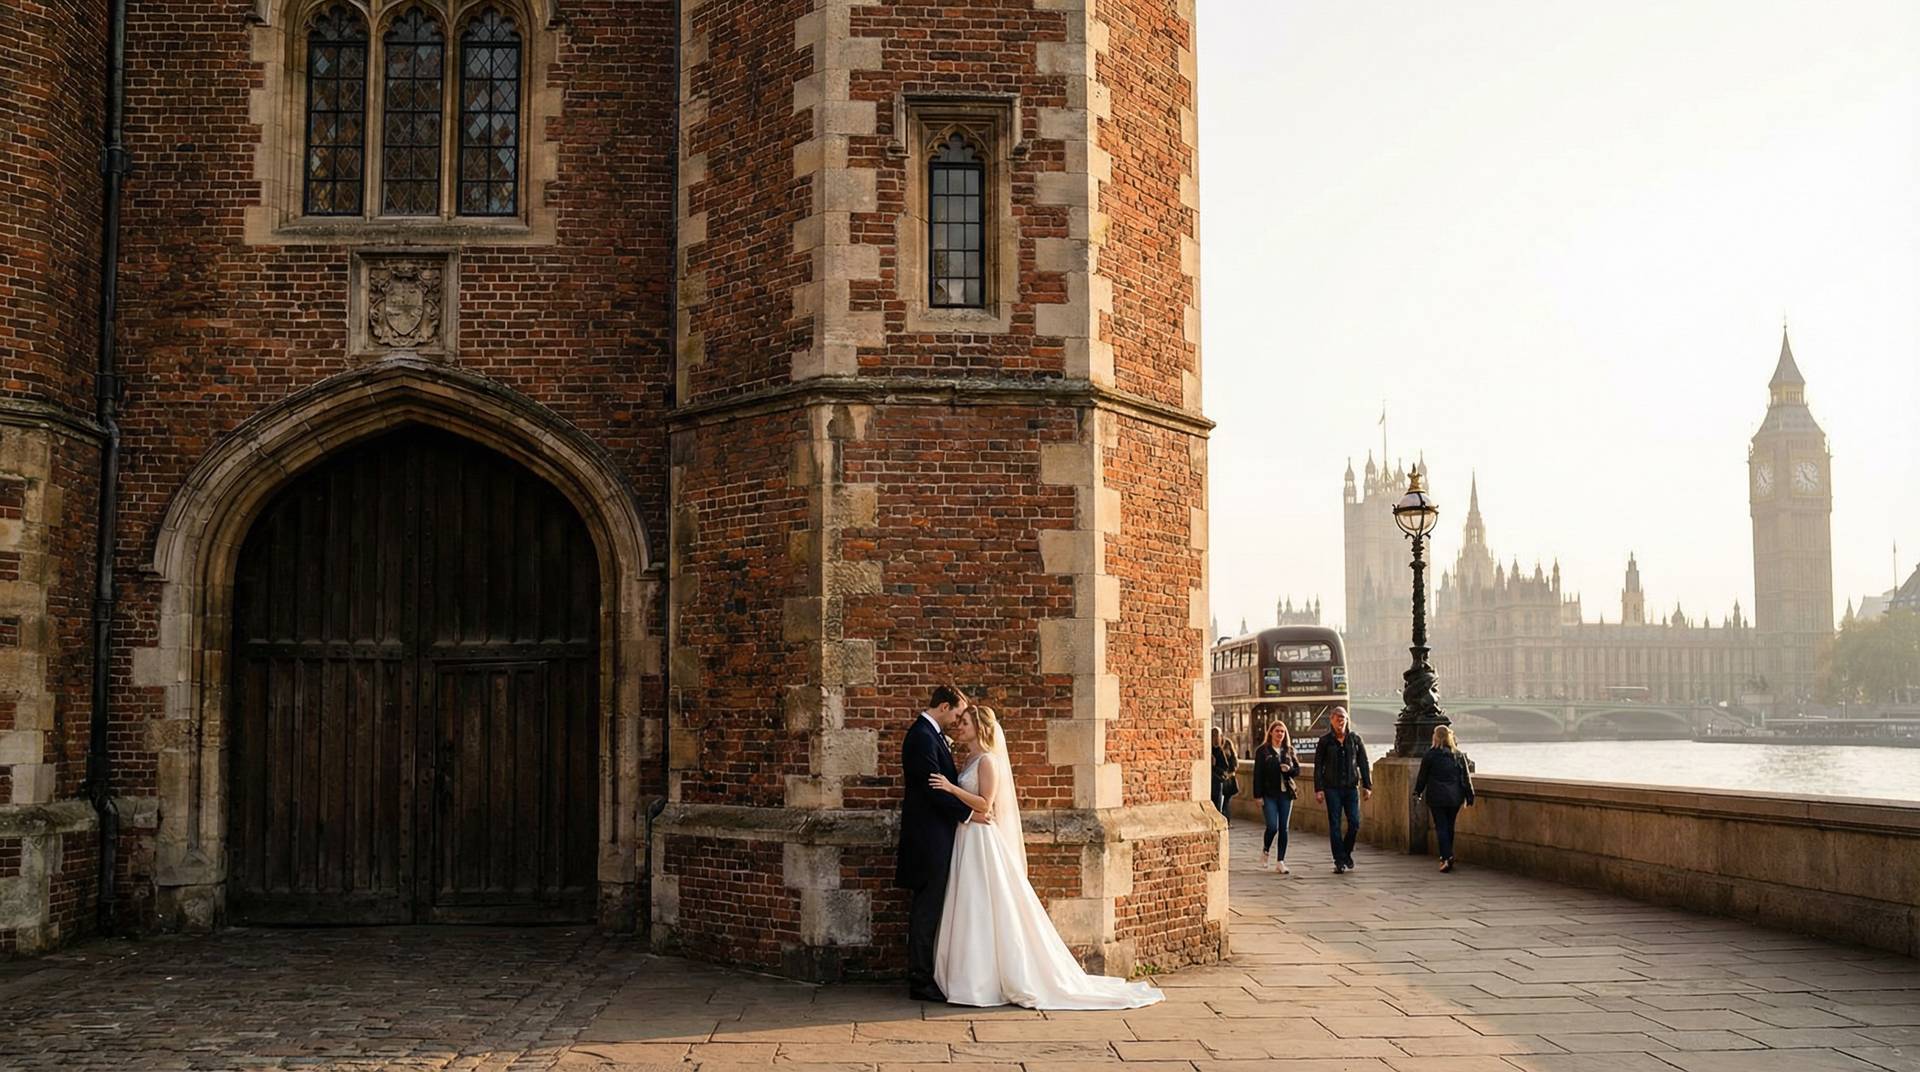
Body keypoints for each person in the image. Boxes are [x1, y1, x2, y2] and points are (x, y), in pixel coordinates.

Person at [928, 705, 1164, 1010]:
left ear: (981, 727)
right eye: (959, 722)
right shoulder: (970, 759)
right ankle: (969, 976)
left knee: (982, 900)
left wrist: (950, 789)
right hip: (968, 836)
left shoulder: (987, 760)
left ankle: (984, 981)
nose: (959, 727)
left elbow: (986, 804)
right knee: (971, 902)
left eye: (965, 723)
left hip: (982, 839)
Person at [894, 684, 988, 1003]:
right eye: (958, 713)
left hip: (937, 837)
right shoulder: (922, 736)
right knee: (926, 911)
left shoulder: (930, 735)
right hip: (928, 841)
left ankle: (929, 973)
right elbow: (932, 790)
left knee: (931, 909)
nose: (960, 720)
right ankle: (920, 980)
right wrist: (968, 814)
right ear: (944, 707)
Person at [1312, 706, 1371, 874]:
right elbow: (1318, 767)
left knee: (1355, 823)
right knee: (1335, 824)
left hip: (1351, 788)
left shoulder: (1355, 739)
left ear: (1347, 720)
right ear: (1331, 719)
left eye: (1343, 717)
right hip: (1332, 789)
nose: (1340, 720)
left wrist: (1367, 785)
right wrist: (1319, 789)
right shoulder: (1325, 741)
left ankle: (1346, 853)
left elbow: (1364, 763)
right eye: (1337, 717)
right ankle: (1339, 860)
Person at [1413, 724, 1475, 873]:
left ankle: (1446, 857)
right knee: (1449, 827)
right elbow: (1466, 777)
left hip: (1437, 797)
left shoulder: (1430, 755)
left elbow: (1422, 777)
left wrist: (1418, 792)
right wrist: (1470, 795)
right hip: (1454, 797)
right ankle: (1448, 855)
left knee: (1441, 827)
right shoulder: (1458, 755)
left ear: (1435, 737)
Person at [1251, 719, 1301, 874]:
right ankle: (1265, 851)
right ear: (1271, 732)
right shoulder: (1263, 751)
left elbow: (1297, 770)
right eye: (1277, 731)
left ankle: (1280, 861)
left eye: (1283, 731)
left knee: (1284, 828)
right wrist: (1257, 796)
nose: (1280, 734)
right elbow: (1257, 774)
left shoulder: (1289, 750)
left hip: (1286, 794)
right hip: (1269, 794)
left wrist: (1289, 770)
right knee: (1273, 826)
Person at [1210, 729, 1239, 817]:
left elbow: (1233, 762)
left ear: (1221, 736)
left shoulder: (1227, 744)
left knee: (1226, 801)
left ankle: (1226, 819)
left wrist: (1229, 773)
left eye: (1217, 736)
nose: (1215, 738)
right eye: (1213, 736)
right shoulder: (1210, 748)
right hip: (1217, 778)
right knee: (1217, 801)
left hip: (1227, 778)